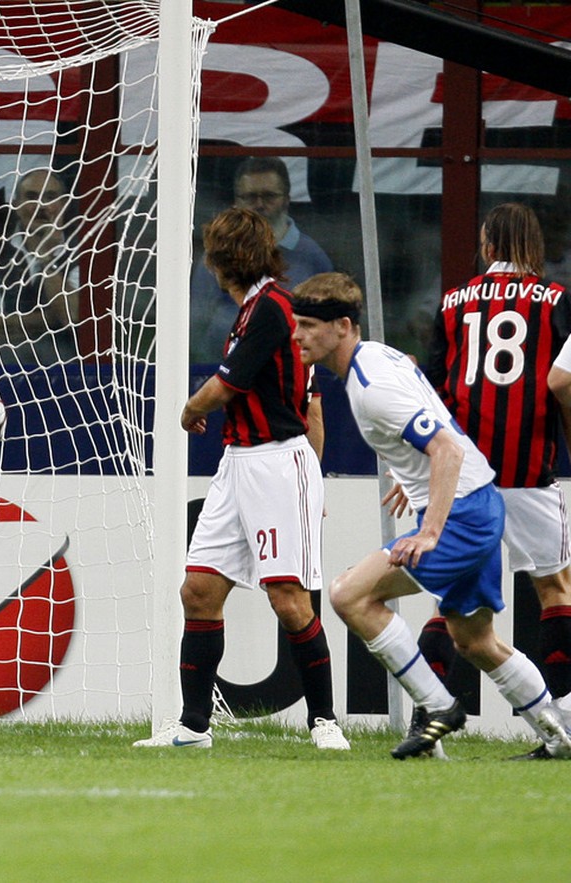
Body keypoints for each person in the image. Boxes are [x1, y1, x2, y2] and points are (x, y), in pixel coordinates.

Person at [291, 271, 571, 759]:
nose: (297, 335)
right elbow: (434, 423)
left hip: (463, 515)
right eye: (296, 324)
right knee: (476, 640)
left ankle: (438, 707)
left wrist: (430, 530)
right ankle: (560, 734)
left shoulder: (372, 384)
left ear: (342, 326)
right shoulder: (378, 355)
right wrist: (414, 474)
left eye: (309, 325)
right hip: (479, 501)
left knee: (349, 595)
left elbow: (446, 450)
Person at [134, 207, 346, 751]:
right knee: (199, 590)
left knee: (289, 600)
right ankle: (193, 727)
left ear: (219, 261)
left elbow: (226, 386)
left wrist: (188, 409)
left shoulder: (273, 308)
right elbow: (311, 402)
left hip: (278, 462)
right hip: (239, 463)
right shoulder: (262, 309)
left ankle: (324, 721)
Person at [423, 203, 571, 759]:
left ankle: (427, 710)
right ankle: (566, 717)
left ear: (487, 246)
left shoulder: (451, 303)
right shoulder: (558, 301)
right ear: (533, 245)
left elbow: (431, 394)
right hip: (530, 466)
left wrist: (421, 467)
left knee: (454, 598)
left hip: (466, 472)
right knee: (554, 589)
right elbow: (563, 381)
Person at [189, 157, 332, 364]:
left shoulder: (312, 257)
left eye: (269, 196)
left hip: (290, 375)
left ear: (286, 199)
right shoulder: (217, 256)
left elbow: (327, 327)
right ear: (236, 201)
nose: (259, 204)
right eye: (249, 197)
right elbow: (197, 324)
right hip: (220, 371)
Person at [0, 167, 84, 365]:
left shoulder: (81, 253)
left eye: (50, 197)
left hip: (68, 367)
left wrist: (46, 259)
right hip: (7, 365)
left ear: (63, 204)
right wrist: (52, 320)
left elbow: (72, 316)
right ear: (16, 204)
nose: (41, 205)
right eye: (32, 197)